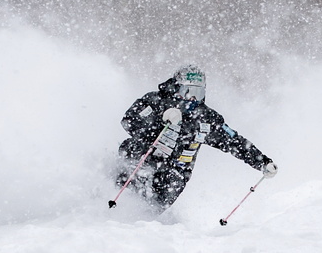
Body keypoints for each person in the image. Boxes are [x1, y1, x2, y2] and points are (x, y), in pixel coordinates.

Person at [114, 65, 277, 211]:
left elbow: (234, 142)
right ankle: (113, 195)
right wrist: (159, 121)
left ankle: (143, 217)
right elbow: (129, 120)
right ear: (176, 88)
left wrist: (262, 161)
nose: (192, 98)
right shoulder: (156, 101)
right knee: (136, 164)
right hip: (141, 159)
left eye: (198, 93)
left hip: (174, 174)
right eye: (188, 91)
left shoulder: (205, 118)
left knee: (162, 195)